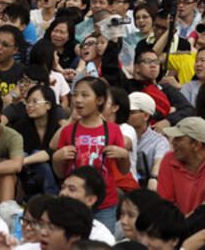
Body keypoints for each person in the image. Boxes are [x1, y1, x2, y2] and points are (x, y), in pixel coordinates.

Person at [53, 77, 129, 233]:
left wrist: (124, 155)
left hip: (105, 203)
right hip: (73, 202)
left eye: (85, 95)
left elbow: (123, 170)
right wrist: (56, 158)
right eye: (75, 95)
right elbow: (60, 172)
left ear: (100, 100)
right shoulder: (68, 131)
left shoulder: (113, 130)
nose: (77, 100)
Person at [157, 116, 205, 215]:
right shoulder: (169, 160)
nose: (172, 142)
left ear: (196, 144)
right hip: (179, 226)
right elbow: (165, 204)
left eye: (178, 139)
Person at [59, 167, 116, 245]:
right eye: (63, 187)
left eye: (72, 189)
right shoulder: (48, 224)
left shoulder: (102, 238)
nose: (63, 193)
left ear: (90, 200)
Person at [126, 92, 170, 191]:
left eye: (131, 112)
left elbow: (159, 163)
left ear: (146, 115)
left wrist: (154, 178)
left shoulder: (159, 142)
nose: (125, 116)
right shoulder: (119, 133)